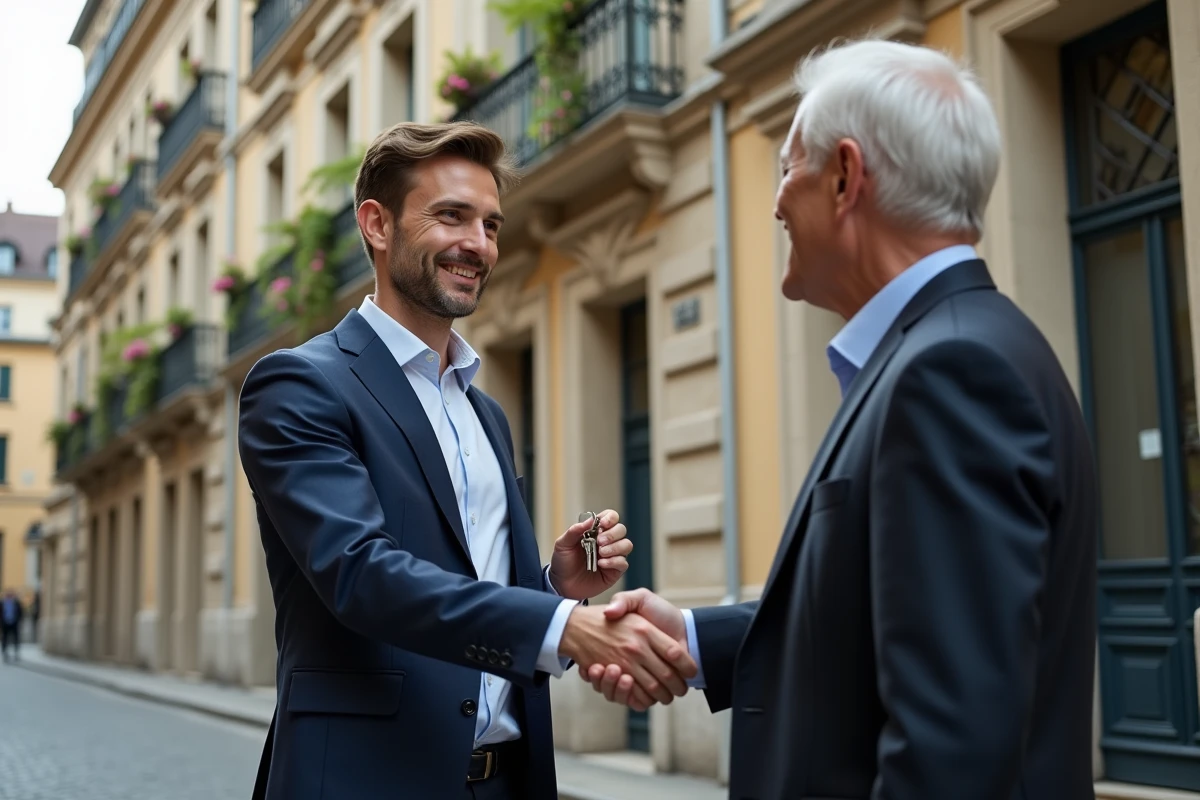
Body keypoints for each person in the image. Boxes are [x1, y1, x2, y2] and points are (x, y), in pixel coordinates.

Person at [585, 38, 1099, 799]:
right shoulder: (952, 351)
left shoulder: (949, 374)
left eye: (789, 165)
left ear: (846, 177)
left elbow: (949, 752)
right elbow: (869, 617)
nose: (776, 199)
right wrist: (691, 639)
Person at [238, 121, 695, 800]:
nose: (478, 244)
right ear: (377, 225)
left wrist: (554, 587)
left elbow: (476, 600)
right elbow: (361, 575)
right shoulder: (301, 385)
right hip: (367, 782)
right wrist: (564, 628)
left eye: (490, 224)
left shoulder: (487, 414)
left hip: (505, 782)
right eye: (451, 216)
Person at [1, 589, 22, 662]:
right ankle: (4, 652)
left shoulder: (16, 603)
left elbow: (20, 612)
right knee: (5, 638)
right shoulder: (2, 603)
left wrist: (18, 620)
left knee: (16, 637)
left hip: (14, 623)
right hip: (5, 623)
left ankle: (16, 652)